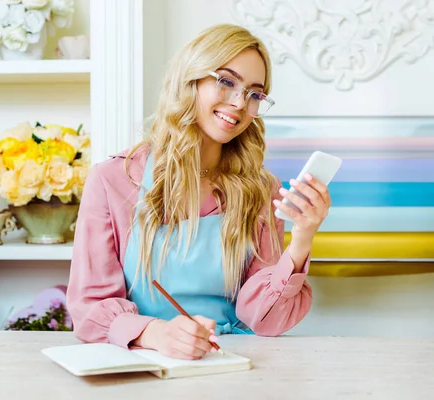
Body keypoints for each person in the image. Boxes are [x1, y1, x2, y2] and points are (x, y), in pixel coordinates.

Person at [66, 23, 331, 360]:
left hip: (228, 359)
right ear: (190, 79)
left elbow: (266, 320)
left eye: (254, 94)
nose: (239, 102)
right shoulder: (111, 181)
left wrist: (303, 238)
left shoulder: (262, 189)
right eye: (226, 81)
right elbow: (89, 308)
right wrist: (155, 333)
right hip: (139, 359)